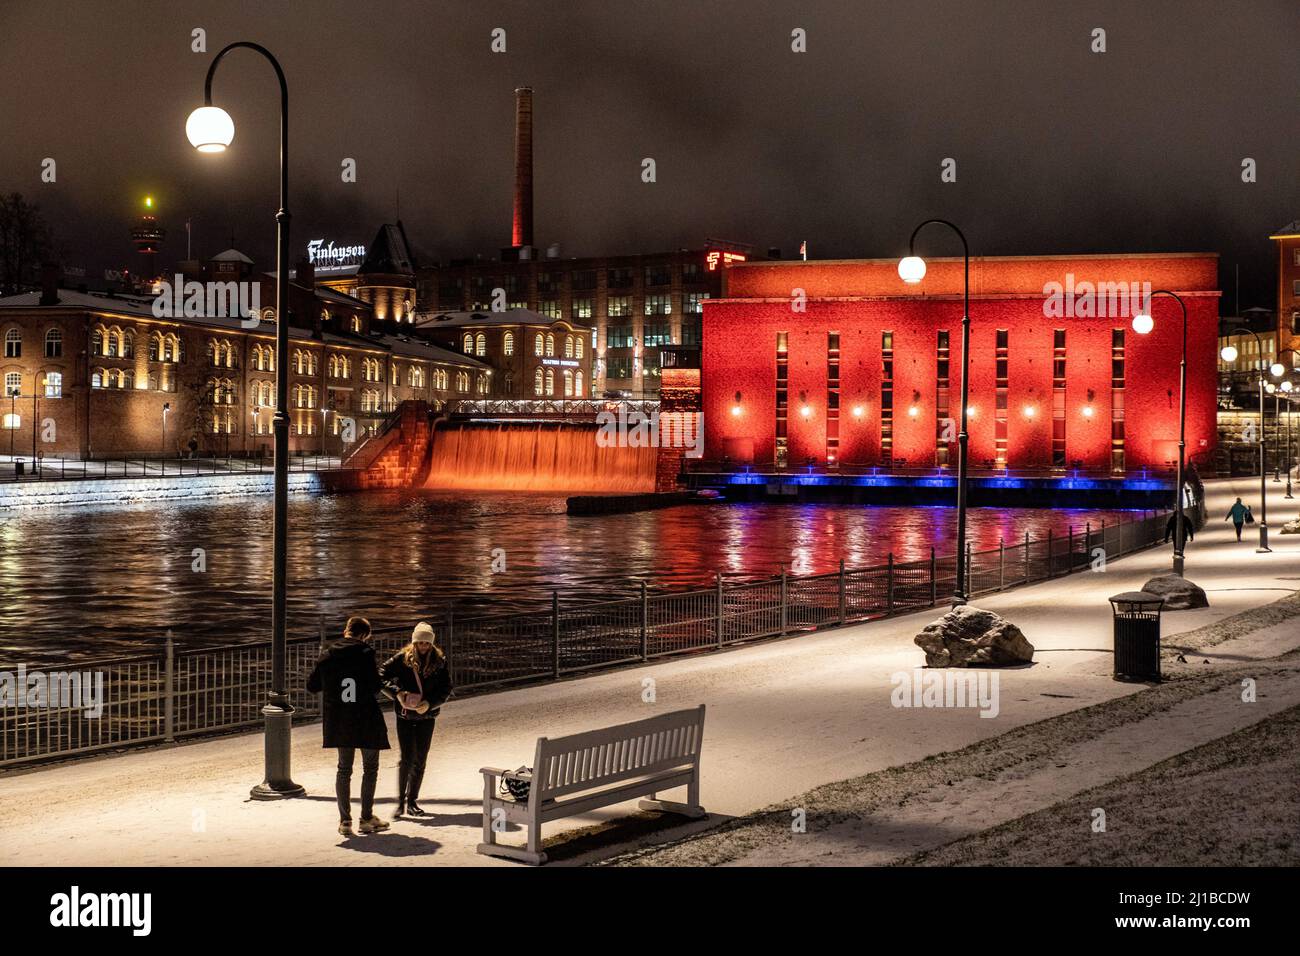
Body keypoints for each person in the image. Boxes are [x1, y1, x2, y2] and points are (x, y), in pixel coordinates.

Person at [306, 616, 391, 837]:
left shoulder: (327, 655)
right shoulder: (365, 653)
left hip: (339, 720)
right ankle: (366, 818)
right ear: (365, 634)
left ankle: (345, 821)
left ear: (346, 631)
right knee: (370, 768)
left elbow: (312, 685)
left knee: (344, 769)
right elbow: (374, 686)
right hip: (365, 718)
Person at [381, 621, 452, 819]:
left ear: (431, 644)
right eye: (420, 643)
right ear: (414, 642)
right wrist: (397, 693)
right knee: (406, 758)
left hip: (426, 716)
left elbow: (446, 689)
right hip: (404, 715)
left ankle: (412, 801)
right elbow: (380, 675)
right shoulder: (402, 659)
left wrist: (430, 703)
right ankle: (400, 803)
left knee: (420, 759)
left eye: (426, 643)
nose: (423, 646)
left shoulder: (439, 662)